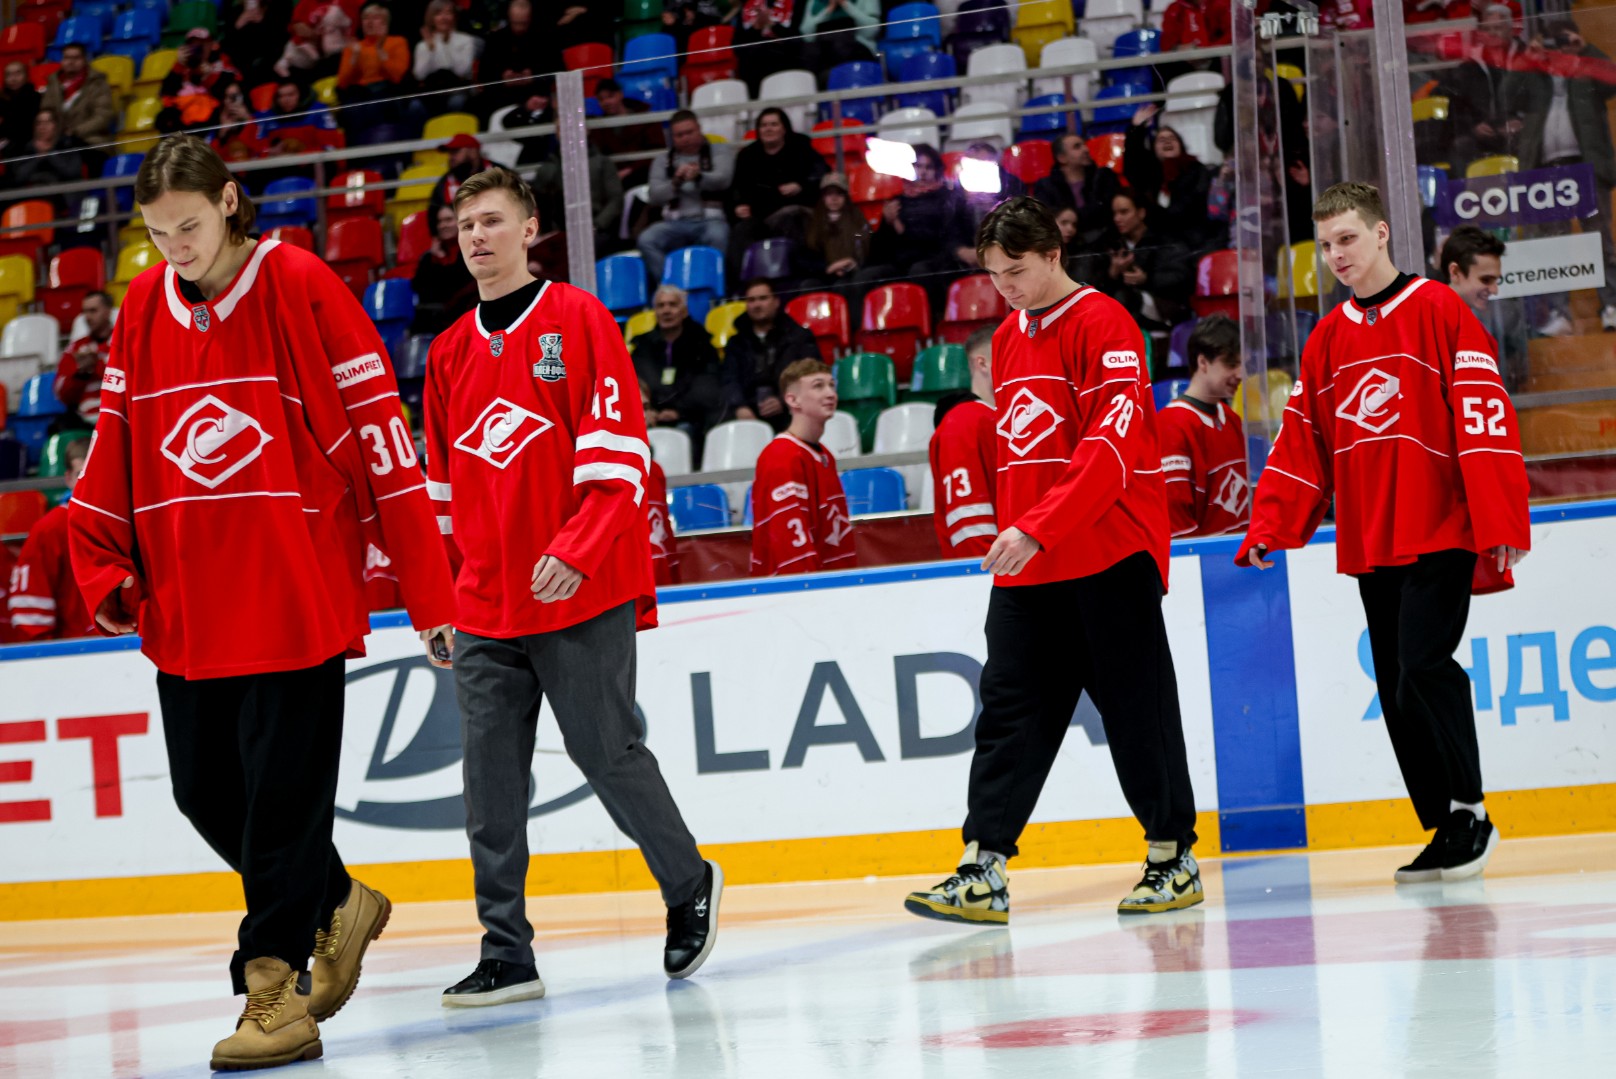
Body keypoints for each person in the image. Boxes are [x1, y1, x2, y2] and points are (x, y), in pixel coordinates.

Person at [67, 135, 456, 1071]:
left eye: (190, 226)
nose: (176, 247)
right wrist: (103, 560)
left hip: (293, 589)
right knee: (206, 793)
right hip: (189, 598)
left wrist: (427, 588)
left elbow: (381, 435)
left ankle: (274, 995)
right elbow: (114, 441)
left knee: (281, 806)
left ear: (230, 202)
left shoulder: (300, 283)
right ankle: (340, 900)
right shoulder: (141, 305)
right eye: (159, 234)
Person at [422, 166, 721, 1005]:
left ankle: (687, 881)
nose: (476, 237)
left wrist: (579, 547)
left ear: (529, 230)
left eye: (491, 221)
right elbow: (439, 488)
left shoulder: (579, 319)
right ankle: (506, 949)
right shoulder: (446, 353)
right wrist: (440, 596)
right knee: (489, 781)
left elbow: (623, 453)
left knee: (605, 749)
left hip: (578, 589)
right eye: (465, 226)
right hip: (485, 601)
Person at [903, 196, 1201, 925]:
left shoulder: (1106, 323)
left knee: (1137, 711)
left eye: (1016, 270)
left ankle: (1172, 858)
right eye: (993, 275)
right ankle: (983, 867)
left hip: (1109, 550)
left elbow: (1111, 446)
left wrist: (1037, 527)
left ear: (1053, 255)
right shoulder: (1009, 337)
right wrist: (1026, 533)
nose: (1004, 286)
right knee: (1008, 713)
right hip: (1033, 563)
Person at [1236, 182, 1531, 884]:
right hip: (1372, 535)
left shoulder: (1439, 308)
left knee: (1424, 664)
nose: (1336, 254)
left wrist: (1501, 517)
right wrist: (1271, 523)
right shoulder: (1327, 338)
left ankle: (1473, 811)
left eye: (1347, 238)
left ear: (1381, 233)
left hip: (1443, 523)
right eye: (1326, 244)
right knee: (1398, 686)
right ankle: (1445, 823)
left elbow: (1485, 414)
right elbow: (1301, 440)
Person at [1503, 17, 1616, 332]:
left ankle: (1611, 304)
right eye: (1554, 43)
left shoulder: (1586, 71)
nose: (1559, 50)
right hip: (1546, 170)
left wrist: (1586, 51)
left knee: (1600, 238)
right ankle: (1559, 311)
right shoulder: (1535, 77)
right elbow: (1506, 98)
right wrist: (1527, 60)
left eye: (1564, 42)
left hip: (1585, 166)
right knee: (1555, 243)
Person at [749, 359, 856, 576]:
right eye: (818, 386)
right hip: (799, 590)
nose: (830, 394)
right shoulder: (781, 455)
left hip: (831, 585)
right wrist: (809, 589)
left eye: (831, 385)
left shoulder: (824, 455)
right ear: (792, 399)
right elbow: (790, 546)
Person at [1157, 314, 1248, 538]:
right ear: (1203, 362)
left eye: (1242, 364)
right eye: (1231, 364)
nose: (1241, 374)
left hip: (1240, 551)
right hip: (1207, 556)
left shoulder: (1230, 417)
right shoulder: (1171, 425)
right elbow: (1176, 521)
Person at [853, 144, 975, 310]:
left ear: (937, 170)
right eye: (918, 166)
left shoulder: (948, 197)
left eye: (928, 167)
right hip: (901, 262)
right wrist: (888, 223)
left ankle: (930, 322)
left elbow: (946, 236)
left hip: (936, 259)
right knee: (863, 278)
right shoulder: (898, 201)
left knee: (919, 271)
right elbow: (881, 247)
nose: (923, 172)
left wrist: (903, 230)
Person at [8, 435, 94, 642]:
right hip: (76, 651)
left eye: (97, 472)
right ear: (68, 478)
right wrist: (48, 654)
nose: (89, 482)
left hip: (130, 646)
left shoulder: (130, 520)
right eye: (80, 474)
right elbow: (30, 611)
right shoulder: (50, 528)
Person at [727, 107, 827, 276]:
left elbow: (822, 175)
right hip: (762, 216)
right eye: (764, 125)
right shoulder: (747, 156)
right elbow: (735, 190)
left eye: (774, 124)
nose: (768, 129)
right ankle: (748, 283)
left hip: (801, 211)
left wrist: (801, 186)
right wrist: (737, 207)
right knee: (742, 230)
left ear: (784, 128)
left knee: (793, 216)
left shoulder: (802, 148)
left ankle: (801, 276)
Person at [639, 111, 736, 284]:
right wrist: (675, 182)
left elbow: (724, 180)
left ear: (699, 129)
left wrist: (699, 176)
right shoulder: (663, 160)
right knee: (647, 239)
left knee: (719, 235)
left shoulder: (719, 151)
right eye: (679, 135)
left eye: (689, 132)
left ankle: (711, 287)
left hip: (711, 221)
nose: (685, 138)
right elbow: (654, 196)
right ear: (672, 137)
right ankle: (671, 288)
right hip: (674, 223)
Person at [927, 325, 998, 559]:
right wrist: (987, 572)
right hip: (992, 573)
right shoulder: (964, 422)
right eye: (1011, 355)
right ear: (983, 364)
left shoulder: (994, 418)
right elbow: (971, 524)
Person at [1078, 190, 1194, 331]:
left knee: (1123, 298)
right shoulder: (1110, 243)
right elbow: (1090, 284)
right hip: (1124, 306)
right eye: (1115, 213)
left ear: (1141, 213)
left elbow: (1181, 276)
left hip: (1161, 305)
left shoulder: (1162, 240)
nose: (1117, 218)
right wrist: (1112, 273)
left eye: (1124, 212)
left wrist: (1146, 278)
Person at [723, 278, 823, 429]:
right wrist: (740, 407)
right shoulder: (736, 343)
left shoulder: (799, 336)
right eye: (751, 300)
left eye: (763, 298)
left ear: (776, 302)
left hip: (791, 411)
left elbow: (812, 374)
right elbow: (728, 378)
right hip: (747, 413)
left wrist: (784, 400)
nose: (757, 305)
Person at [631, 285, 727, 441]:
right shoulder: (642, 346)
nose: (666, 310)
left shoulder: (701, 343)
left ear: (684, 311)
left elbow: (708, 386)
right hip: (651, 417)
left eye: (672, 305)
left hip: (691, 417)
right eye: (661, 306)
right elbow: (634, 383)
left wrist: (679, 412)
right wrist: (647, 410)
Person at [1126, 105, 1216, 250]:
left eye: (1172, 138)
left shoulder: (1196, 170)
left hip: (1191, 242)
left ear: (1181, 146)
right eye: (1161, 140)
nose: (1167, 141)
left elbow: (1185, 211)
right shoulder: (1151, 174)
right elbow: (1132, 167)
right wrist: (1135, 129)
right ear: (1154, 149)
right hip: (1160, 243)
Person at [1030, 134, 1122, 247]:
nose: (1086, 149)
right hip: (1065, 247)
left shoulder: (1104, 176)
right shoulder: (1045, 186)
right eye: (1077, 147)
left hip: (1105, 242)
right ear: (1062, 158)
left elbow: (1108, 212)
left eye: (1084, 145)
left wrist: (1071, 218)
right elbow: (1047, 220)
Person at [335, 4, 412, 129]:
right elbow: (342, 83)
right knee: (351, 110)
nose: (369, 22)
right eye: (365, 18)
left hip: (387, 91)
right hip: (360, 94)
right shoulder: (353, 48)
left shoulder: (397, 42)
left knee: (376, 106)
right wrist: (355, 57)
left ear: (385, 22)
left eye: (375, 18)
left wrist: (380, 51)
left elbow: (398, 76)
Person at [410, 205, 478, 335]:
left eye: (448, 220)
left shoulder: (473, 251)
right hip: (434, 320)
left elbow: (457, 285)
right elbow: (420, 289)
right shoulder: (429, 258)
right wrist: (436, 260)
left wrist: (442, 263)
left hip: (466, 316)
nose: (443, 225)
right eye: (439, 221)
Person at [53, 291, 116, 428]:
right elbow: (62, 394)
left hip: (120, 417)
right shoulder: (76, 348)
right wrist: (81, 374)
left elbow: (134, 380)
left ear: (108, 311)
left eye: (93, 311)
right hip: (85, 423)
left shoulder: (124, 342)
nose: (87, 317)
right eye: (85, 312)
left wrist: (96, 365)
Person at [641, 379, 682, 586]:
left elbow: (665, 538)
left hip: (661, 589)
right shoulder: (597, 471)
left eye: (645, 407)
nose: (643, 415)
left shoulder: (654, 470)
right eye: (633, 405)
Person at [589, 77, 664, 187]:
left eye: (610, 96)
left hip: (645, 174)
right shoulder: (599, 128)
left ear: (620, 94)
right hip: (613, 178)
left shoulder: (646, 117)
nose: (606, 102)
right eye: (601, 99)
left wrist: (630, 169)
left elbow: (656, 150)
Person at [41, 43, 116, 148]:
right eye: (67, 58)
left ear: (84, 60)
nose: (71, 62)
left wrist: (75, 132)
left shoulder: (98, 84)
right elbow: (45, 112)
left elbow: (103, 117)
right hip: (57, 141)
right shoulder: (53, 84)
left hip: (90, 140)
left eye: (76, 58)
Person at [414, 0, 479, 114]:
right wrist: (430, 48)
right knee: (415, 106)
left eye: (448, 13)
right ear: (432, 18)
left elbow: (462, 71)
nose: (444, 18)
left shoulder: (465, 40)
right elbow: (420, 75)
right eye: (438, 13)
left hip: (458, 89)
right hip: (433, 91)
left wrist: (449, 42)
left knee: (456, 102)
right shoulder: (423, 44)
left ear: (454, 16)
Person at [799, 0, 881, 78]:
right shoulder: (812, 2)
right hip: (823, 51)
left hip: (858, 48)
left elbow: (871, 31)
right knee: (805, 52)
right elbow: (807, 36)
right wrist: (828, 10)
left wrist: (845, 4)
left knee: (839, 45)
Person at [737, 1, 804, 94]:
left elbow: (798, 40)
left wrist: (772, 24)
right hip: (755, 67)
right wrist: (757, 28)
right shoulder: (746, 5)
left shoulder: (796, 3)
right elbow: (738, 46)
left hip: (786, 61)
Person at [427, 134, 487, 226]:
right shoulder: (444, 184)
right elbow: (434, 216)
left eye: (455, 152)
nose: (450, 157)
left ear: (473, 152)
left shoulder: (500, 174)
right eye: (449, 153)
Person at [0, 61, 41, 157]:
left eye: (18, 74)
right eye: (9, 75)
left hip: (31, 146)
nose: (13, 79)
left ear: (26, 76)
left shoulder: (36, 98)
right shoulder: (1, 100)